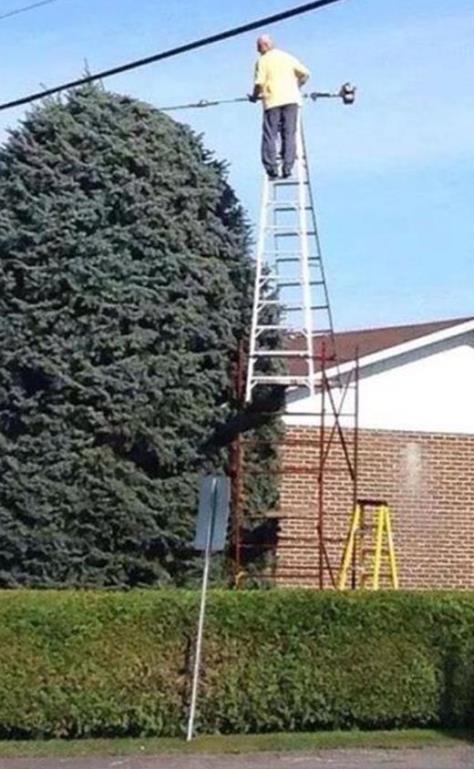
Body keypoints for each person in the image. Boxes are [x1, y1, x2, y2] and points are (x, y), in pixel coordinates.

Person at [249, 35, 310, 179]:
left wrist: (254, 96)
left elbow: (259, 82)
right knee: (289, 133)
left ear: (264, 46)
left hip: (272, 100)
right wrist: (297, 85)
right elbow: (306, 73)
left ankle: (271, 167)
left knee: (270, 134)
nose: (257, 50)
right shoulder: (287, 57)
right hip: (291, 100)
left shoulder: (263, 60)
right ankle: (288, 166)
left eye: (258, 46)